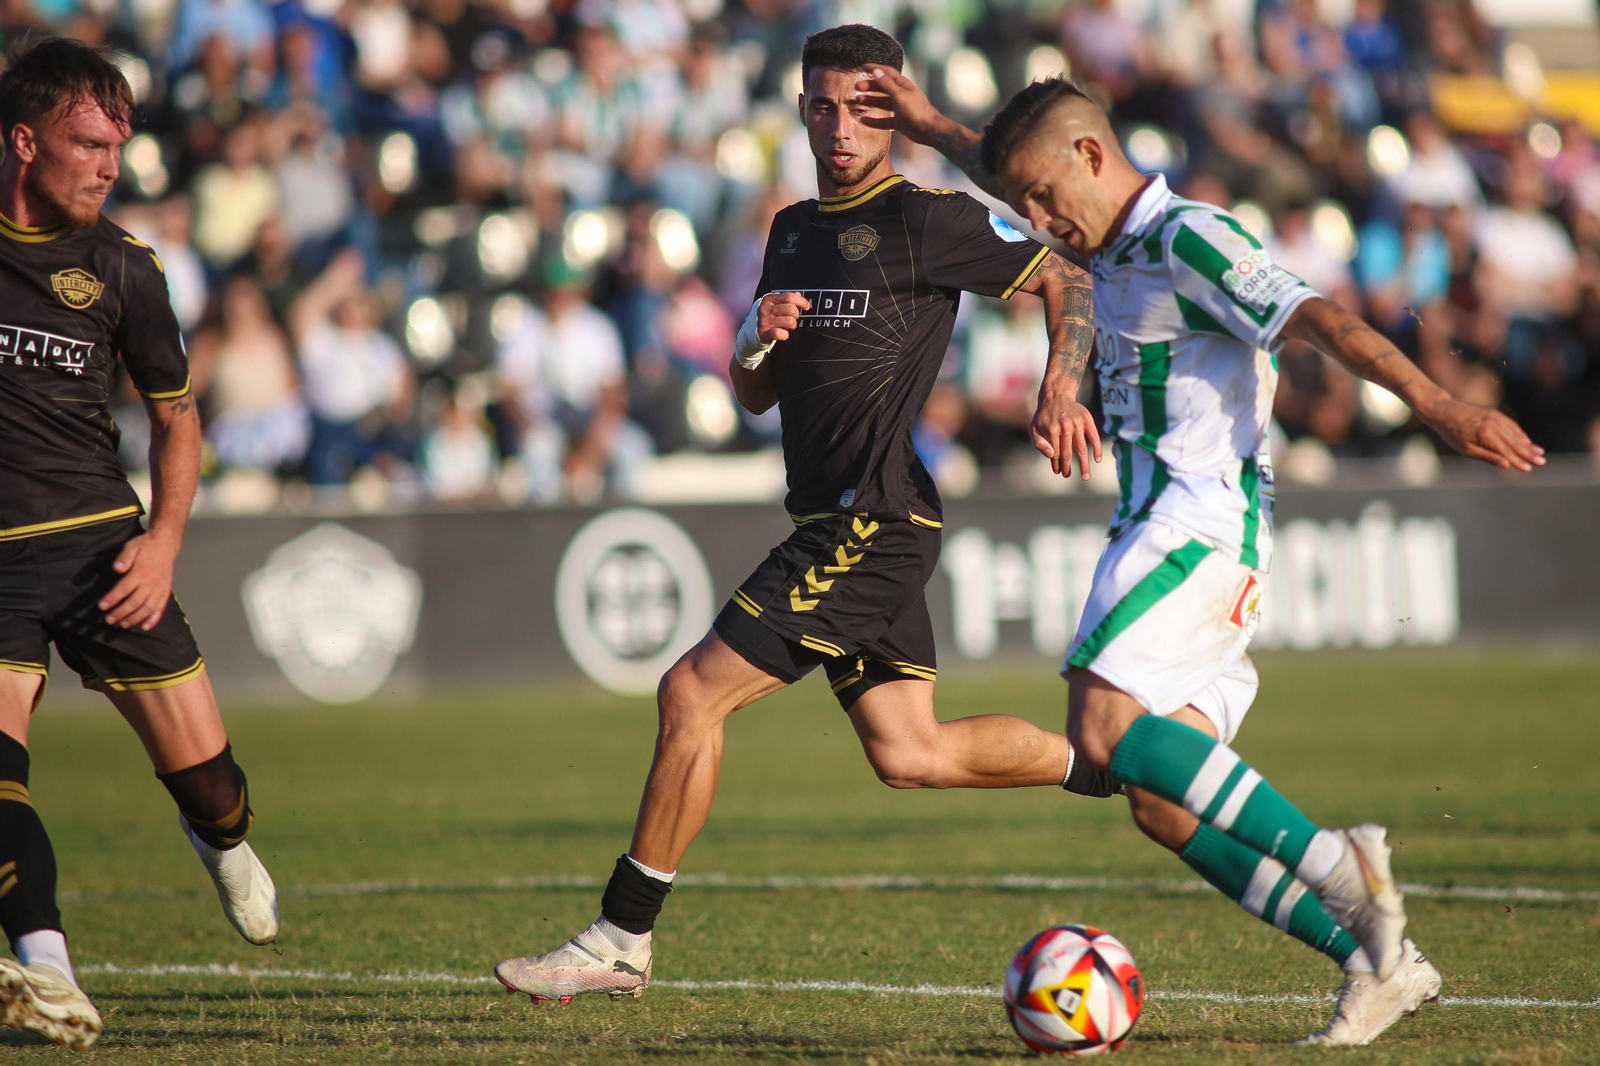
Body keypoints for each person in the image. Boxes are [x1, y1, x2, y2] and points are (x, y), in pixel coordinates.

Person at [857, 69, 1544, 1045]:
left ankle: (1339, 865)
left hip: (1194, 526)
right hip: (1182, 535)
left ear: (1092, 155)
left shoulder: (1190, 238)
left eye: (1045, 197)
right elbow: (1008, 165)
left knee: (1101, 725)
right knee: (1158, 804)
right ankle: (1381, 963)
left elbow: (1318, 319)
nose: (1039, 221)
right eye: (1027, 204)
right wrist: (930, 124)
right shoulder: (1101, 231)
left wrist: (1440, 406)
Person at [493, 24, 1101, 1005]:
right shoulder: (789, 231)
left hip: (874, 520)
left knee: (691, 693)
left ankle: (620, 937)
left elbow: (1066, 276)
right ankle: (1111, 762)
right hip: (838, 518)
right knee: (910, 751)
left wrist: (1059, 386)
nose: (841, 127)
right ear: (803, 112)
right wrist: (750, 340)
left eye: (862, 108)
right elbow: (755, 396)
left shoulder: (928, 220)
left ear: (893, 112)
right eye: (823, 107)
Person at [0, 37, 280, 1051]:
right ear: (25, 142)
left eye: (119, 146)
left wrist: (162, 543)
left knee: (215, 789)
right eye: (89, 144)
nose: (110, 167)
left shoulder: (125, 266)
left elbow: (176, 418)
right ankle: (48, 970)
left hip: (103, 554)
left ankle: (219, 838)